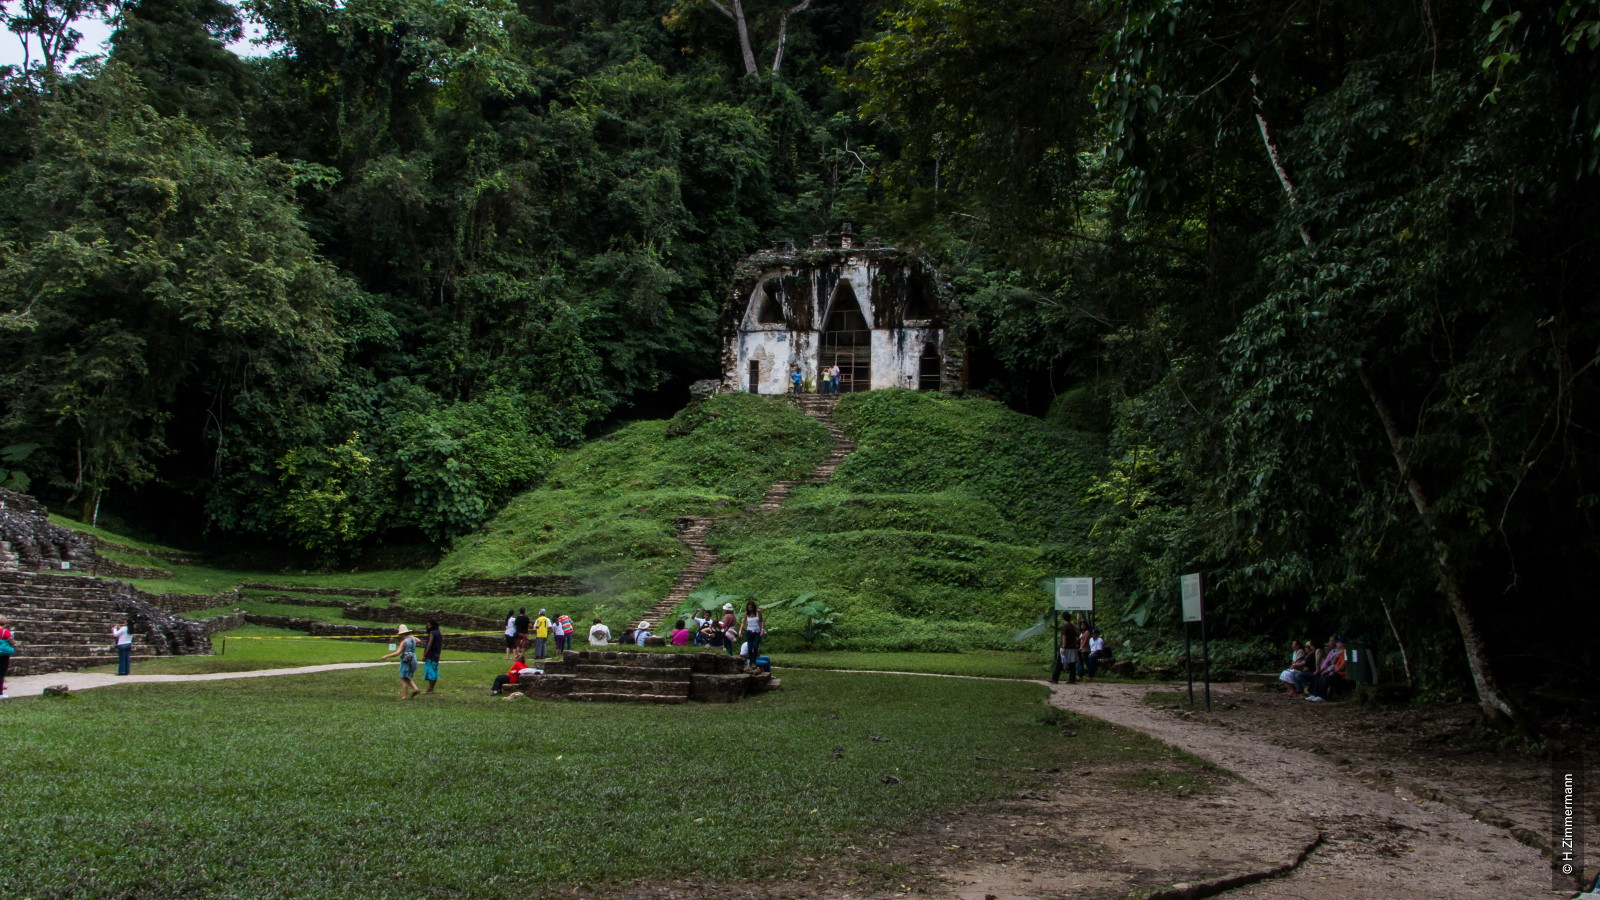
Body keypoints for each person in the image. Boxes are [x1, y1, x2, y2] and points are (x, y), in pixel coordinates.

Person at [379, 625, 423, 700]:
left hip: (406, 659)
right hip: (412, 658)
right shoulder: (413, 638)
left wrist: (387, 656)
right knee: (406, 676)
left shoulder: (404, 642)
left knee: (403, 677)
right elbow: (419, 641)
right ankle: (415, 689)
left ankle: (405, 696)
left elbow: (397, 653)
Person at [1307, 637, 1348, 702]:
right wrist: (1337, 656)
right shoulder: (1340, 653)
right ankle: (1315, 694)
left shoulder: (1346, 653)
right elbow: (1333, 662)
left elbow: (1343, 666)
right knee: (1319, 675)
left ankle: (1322, 696)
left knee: (1325, 678)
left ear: (1342, 644)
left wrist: (1334, 671)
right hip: (1336, 671)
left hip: (1341, 673)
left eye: (1338, 643)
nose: (1336, 644)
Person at [1053, 617, 1079, 684]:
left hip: (1066, 648)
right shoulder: (1072, 626)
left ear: (1063, 618)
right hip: (1072, 648)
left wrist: (1064, 646)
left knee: (1060, 662)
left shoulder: (1065, 626)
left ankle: (1055, 679)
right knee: (1072, 664)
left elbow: (1064, 636)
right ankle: (1072, 679)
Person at [421, 620, 443, 694]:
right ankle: (431, 688)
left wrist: (425, 655)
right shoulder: (439, 633)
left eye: (429, 625)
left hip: (431, 655)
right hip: (437, 654)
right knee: (434, 671)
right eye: (427, 625)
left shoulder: (432, 633)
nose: (428, 627)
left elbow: (429, 644)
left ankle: (429, 689)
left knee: (431, 672)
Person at [0, 615, 15, 698]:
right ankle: (0, 693)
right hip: (3, 654)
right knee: (1, 673)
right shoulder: (4, 632)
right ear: (4, 623)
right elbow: (12, 642)